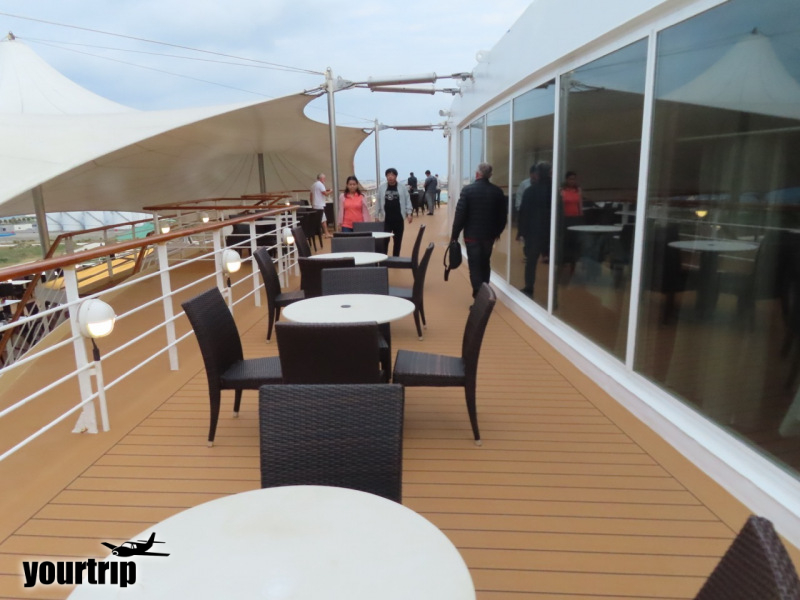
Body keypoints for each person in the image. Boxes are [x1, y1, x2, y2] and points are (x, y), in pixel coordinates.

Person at [451, 162, 508, 298]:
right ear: (490, 175)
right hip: (489, 237)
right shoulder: (497, 191)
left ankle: (479, 296)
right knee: (485, 263)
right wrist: (497, 233)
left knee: (474, 265)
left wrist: (454, 235)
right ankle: (485, 292)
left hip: (472, 236)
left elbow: (460, 215)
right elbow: (502, 217)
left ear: (477, 174)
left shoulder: (467, 190)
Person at [517, 162, 552, 297]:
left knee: (531, 261)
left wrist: (521, 232)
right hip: (550, 231)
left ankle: (529, 287)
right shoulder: (553, 191)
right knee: (551, 260)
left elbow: (524, 213)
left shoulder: (530, 191)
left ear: (537, 174)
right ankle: (552, 292)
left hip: (533, 232)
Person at [375, 167, 414, 256]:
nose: (390, 177)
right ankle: (383, 258)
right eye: (388, 175)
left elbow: (407, 200)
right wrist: (376, 215)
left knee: (398, 241)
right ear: (386, 176)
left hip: (398, 219)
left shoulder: (402, 187)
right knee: (385, 240)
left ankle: (396, 258)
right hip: (386, 219)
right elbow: (378, 202)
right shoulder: (382, 188)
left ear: (396, 176)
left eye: (392, 175)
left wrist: (409, 213)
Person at [559, 171, 584, 281]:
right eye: (570, 179)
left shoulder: (578, 190)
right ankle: (564, 263)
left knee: (575, 242)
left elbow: (580, 204)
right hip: (565, 219)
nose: (572, 181)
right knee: (566, 242)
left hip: (576, 218)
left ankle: (574, 264)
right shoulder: (562, 190)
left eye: (574, 179)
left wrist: (581, 217)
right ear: (566, 179)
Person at [309, 173, 332, 238]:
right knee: (323, 220)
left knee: (320, 219)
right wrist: (331, 191)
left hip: (315, 205)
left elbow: (311, 196)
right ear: (321, 178)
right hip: (319, 205)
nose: (325, 180)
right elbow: (325, 193)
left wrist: (312, 203)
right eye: (324, 178)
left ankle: (322, 232)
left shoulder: (313, 185)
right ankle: (326, 233)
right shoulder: (320, 184)